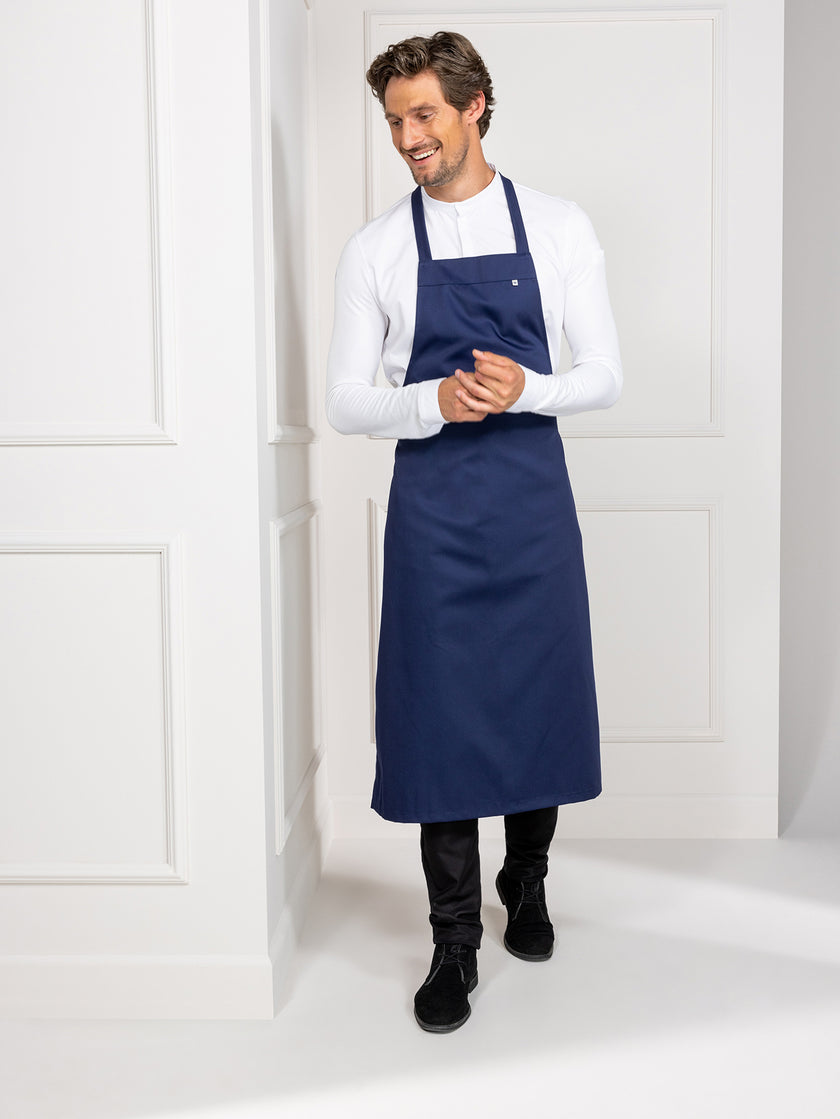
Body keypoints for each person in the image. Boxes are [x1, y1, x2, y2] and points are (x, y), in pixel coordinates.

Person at [325, 30, 622, 1033]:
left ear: (475, 106)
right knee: (439, 716)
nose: (408, 136)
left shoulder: (559, 226)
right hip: (434, 511)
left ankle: (525, 880)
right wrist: (431, 403)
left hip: (533, 504)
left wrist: (527, 388)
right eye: (394, 120)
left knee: (538, 697)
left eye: (424, 114)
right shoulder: (374, 249)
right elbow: (344, 401)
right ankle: (453, 938)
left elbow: (606, 374)